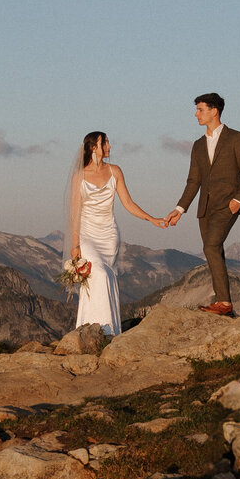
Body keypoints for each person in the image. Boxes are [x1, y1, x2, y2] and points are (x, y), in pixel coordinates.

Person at [67, 131, 166, 335]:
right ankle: (100, 329)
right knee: (99, 274)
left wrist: (152, 219)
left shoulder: (115, 171)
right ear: (94, 147)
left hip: (109, 235)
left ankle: (109, 330)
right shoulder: (79, 175)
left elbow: (128, 203)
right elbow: (74, 213)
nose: (110, 147)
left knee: (106, 277)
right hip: (87, 235)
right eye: (106, 143)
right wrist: (75, 244)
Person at [165, 93, 240, 316]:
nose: (196, 114)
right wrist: (179, 209)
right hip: (204, 208)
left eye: (200, 109)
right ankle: (224, 304)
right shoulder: (197, 145)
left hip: (228, 205)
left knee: (211, 246)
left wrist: (238, 200)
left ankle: (224, 302)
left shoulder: (237, 138)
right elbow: (193, 181)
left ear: (214, 111)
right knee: (215, 251)